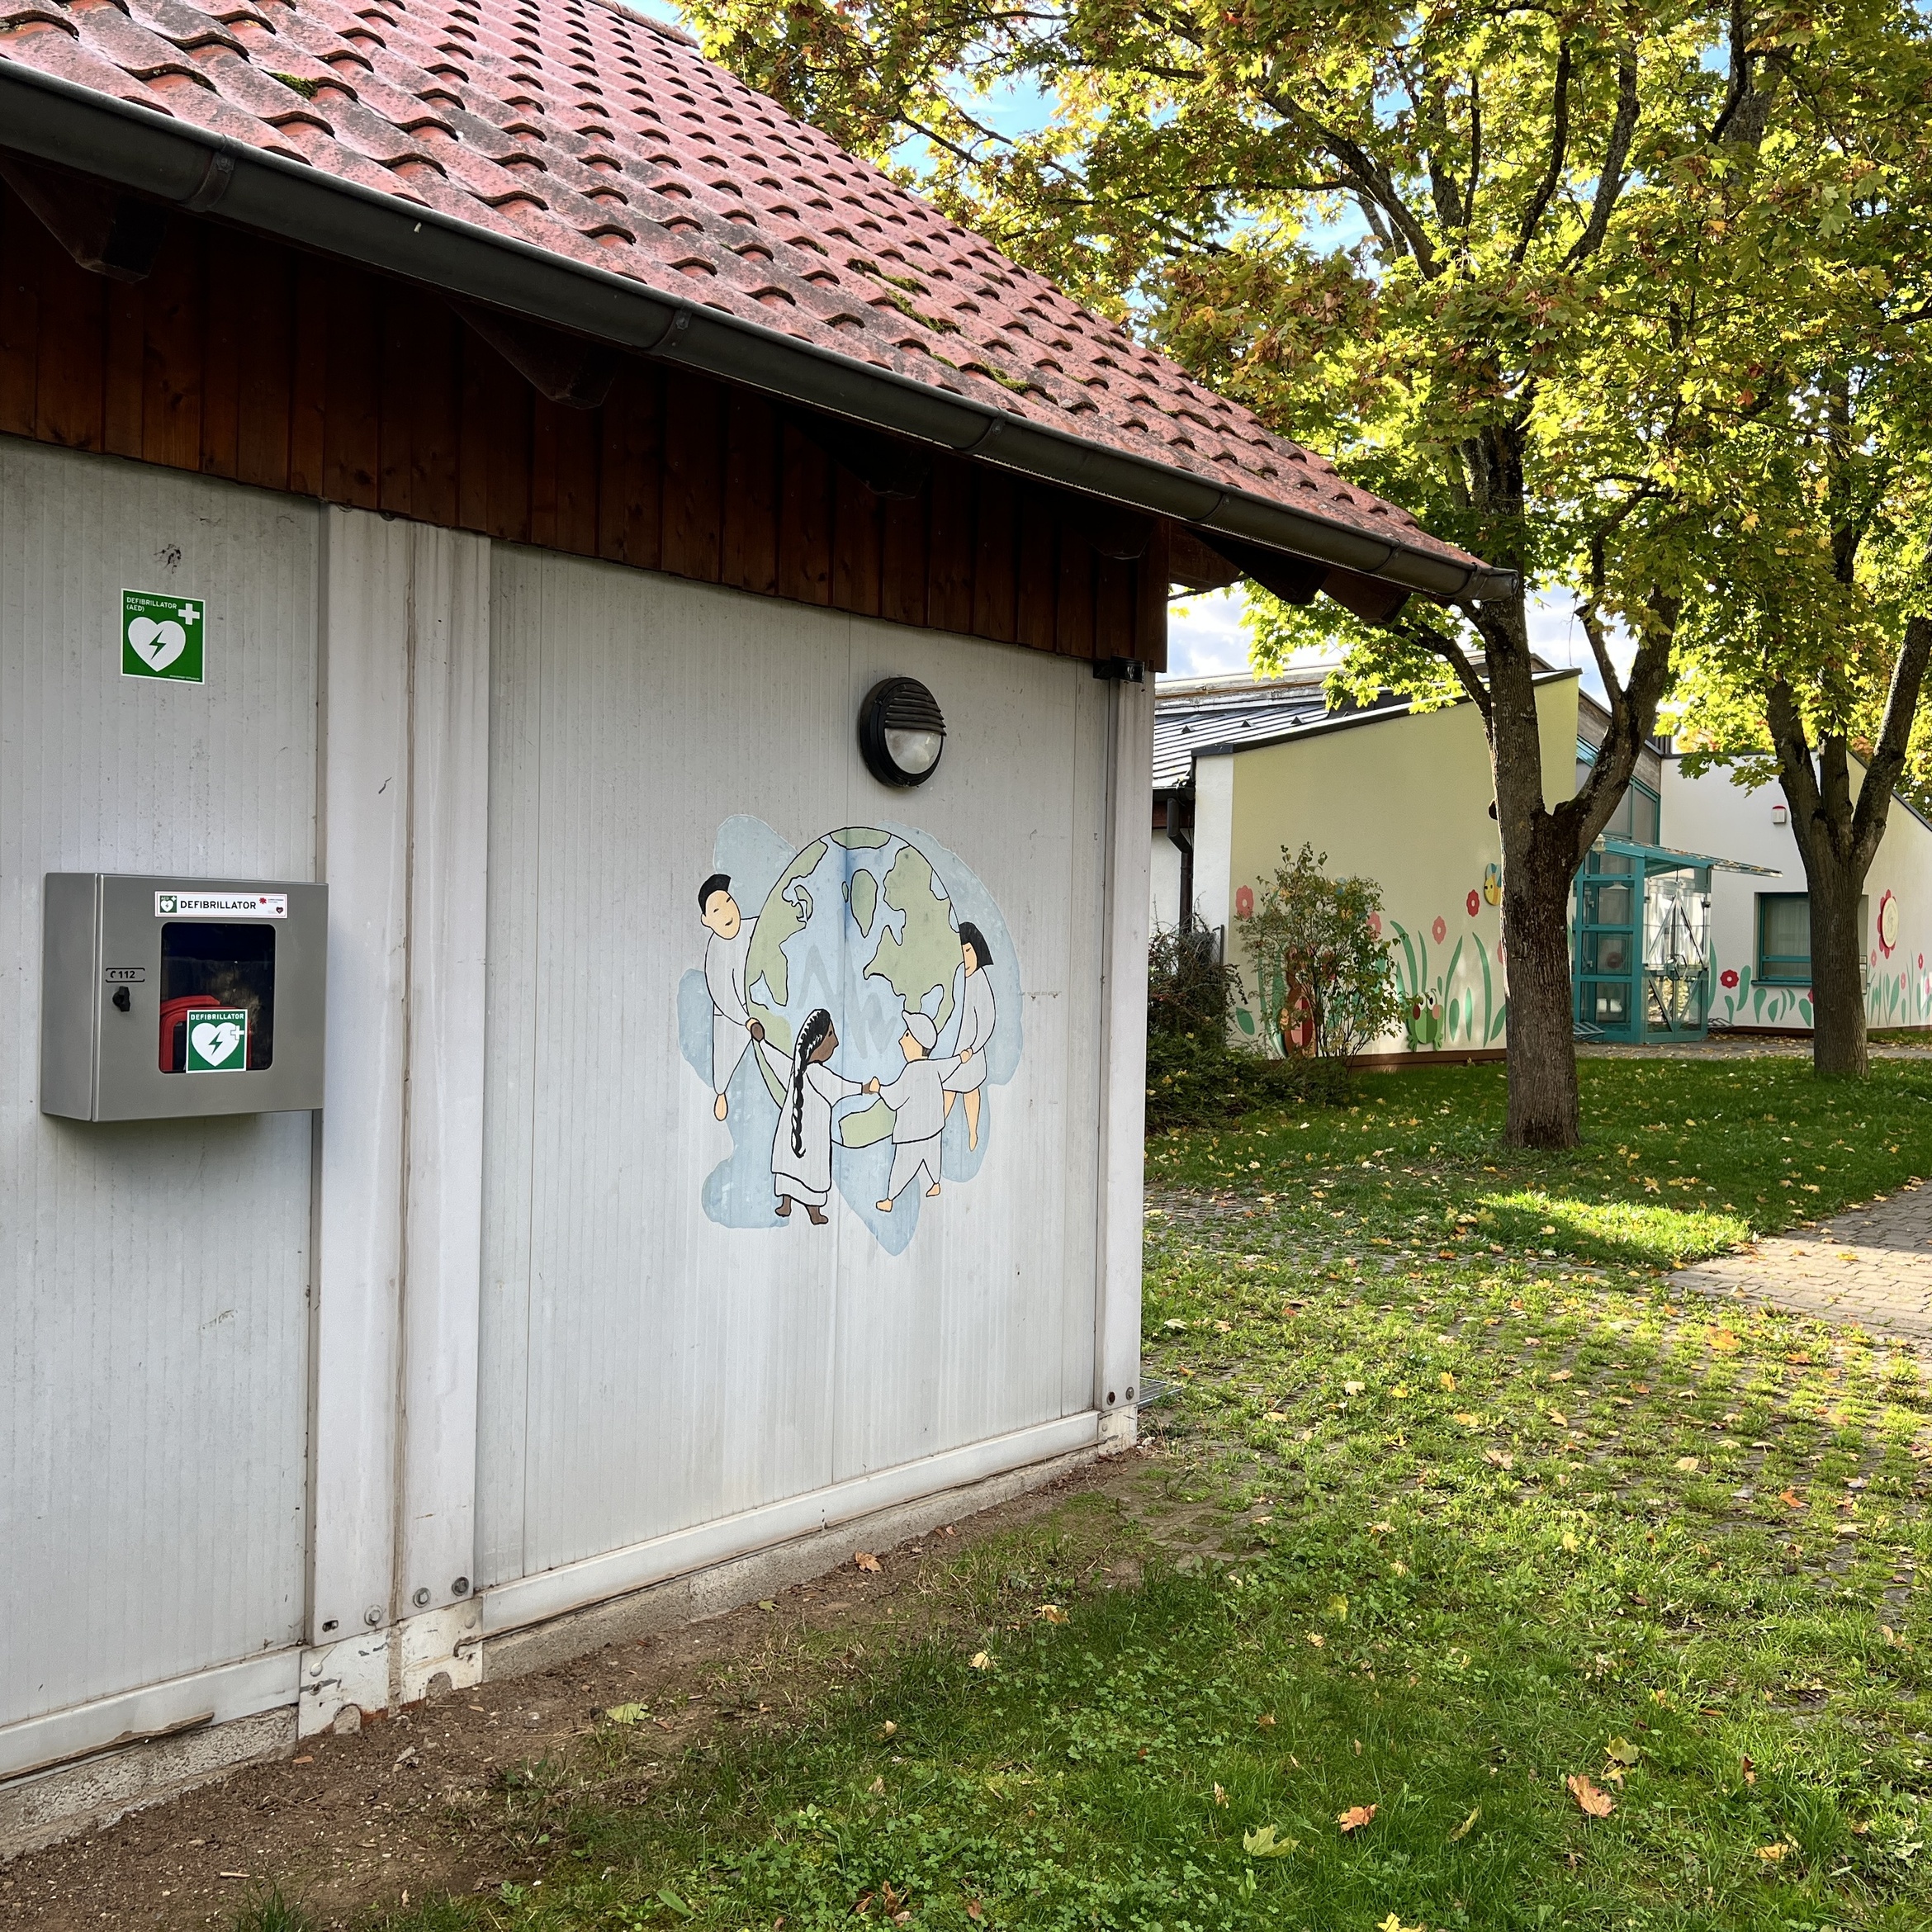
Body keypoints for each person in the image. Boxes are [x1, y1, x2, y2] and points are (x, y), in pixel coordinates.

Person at [750, 1011, 861, 1225]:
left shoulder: (797, 1070)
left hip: (794, 1135)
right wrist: (864, 1088)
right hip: (810, 1138)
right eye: (831, 1035)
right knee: (811, 1169)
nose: (836, 1042)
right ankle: (812, 1210)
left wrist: (762, 1042)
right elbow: (841, 1087)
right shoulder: (815, 1073)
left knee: (790, 1164)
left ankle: (788, 1203)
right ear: (817, 1042)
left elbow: (775, 1060)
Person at [866, 1011, 970, 1211]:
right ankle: (936, 1184)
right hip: (933, 1128)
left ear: (917, 1042)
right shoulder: (934, 1067)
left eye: (906, 1035)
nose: (901, 1039)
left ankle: (889, 1200)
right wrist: (961, 1058)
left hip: (911, 1134)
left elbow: (895, 1099)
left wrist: (879, 1089)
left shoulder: (911, 1072)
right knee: (933, 1158)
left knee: (901, 1168)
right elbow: (950, 1065)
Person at [698, 873, 755, 1120]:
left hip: (758, 1004)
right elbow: (724, 998)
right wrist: (746, 1021)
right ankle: (721, 1094)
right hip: (731, 1015)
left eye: (728, 902)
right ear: (706, 920)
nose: (727, 913)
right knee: (724, 1063)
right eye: (716, 910)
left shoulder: (753, 928)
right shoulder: (715, 955)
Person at [941, 921, 997, 1151]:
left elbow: (987, 1019)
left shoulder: (980, 981)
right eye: (960, 952)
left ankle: (973, 1132)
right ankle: (937, 1130)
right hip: (954, 1049)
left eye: (968, 951)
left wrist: (973, 1048)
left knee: (971, 1091)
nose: (964, 958)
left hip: (971, 1051)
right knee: (948, 1090)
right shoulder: (954, 980)